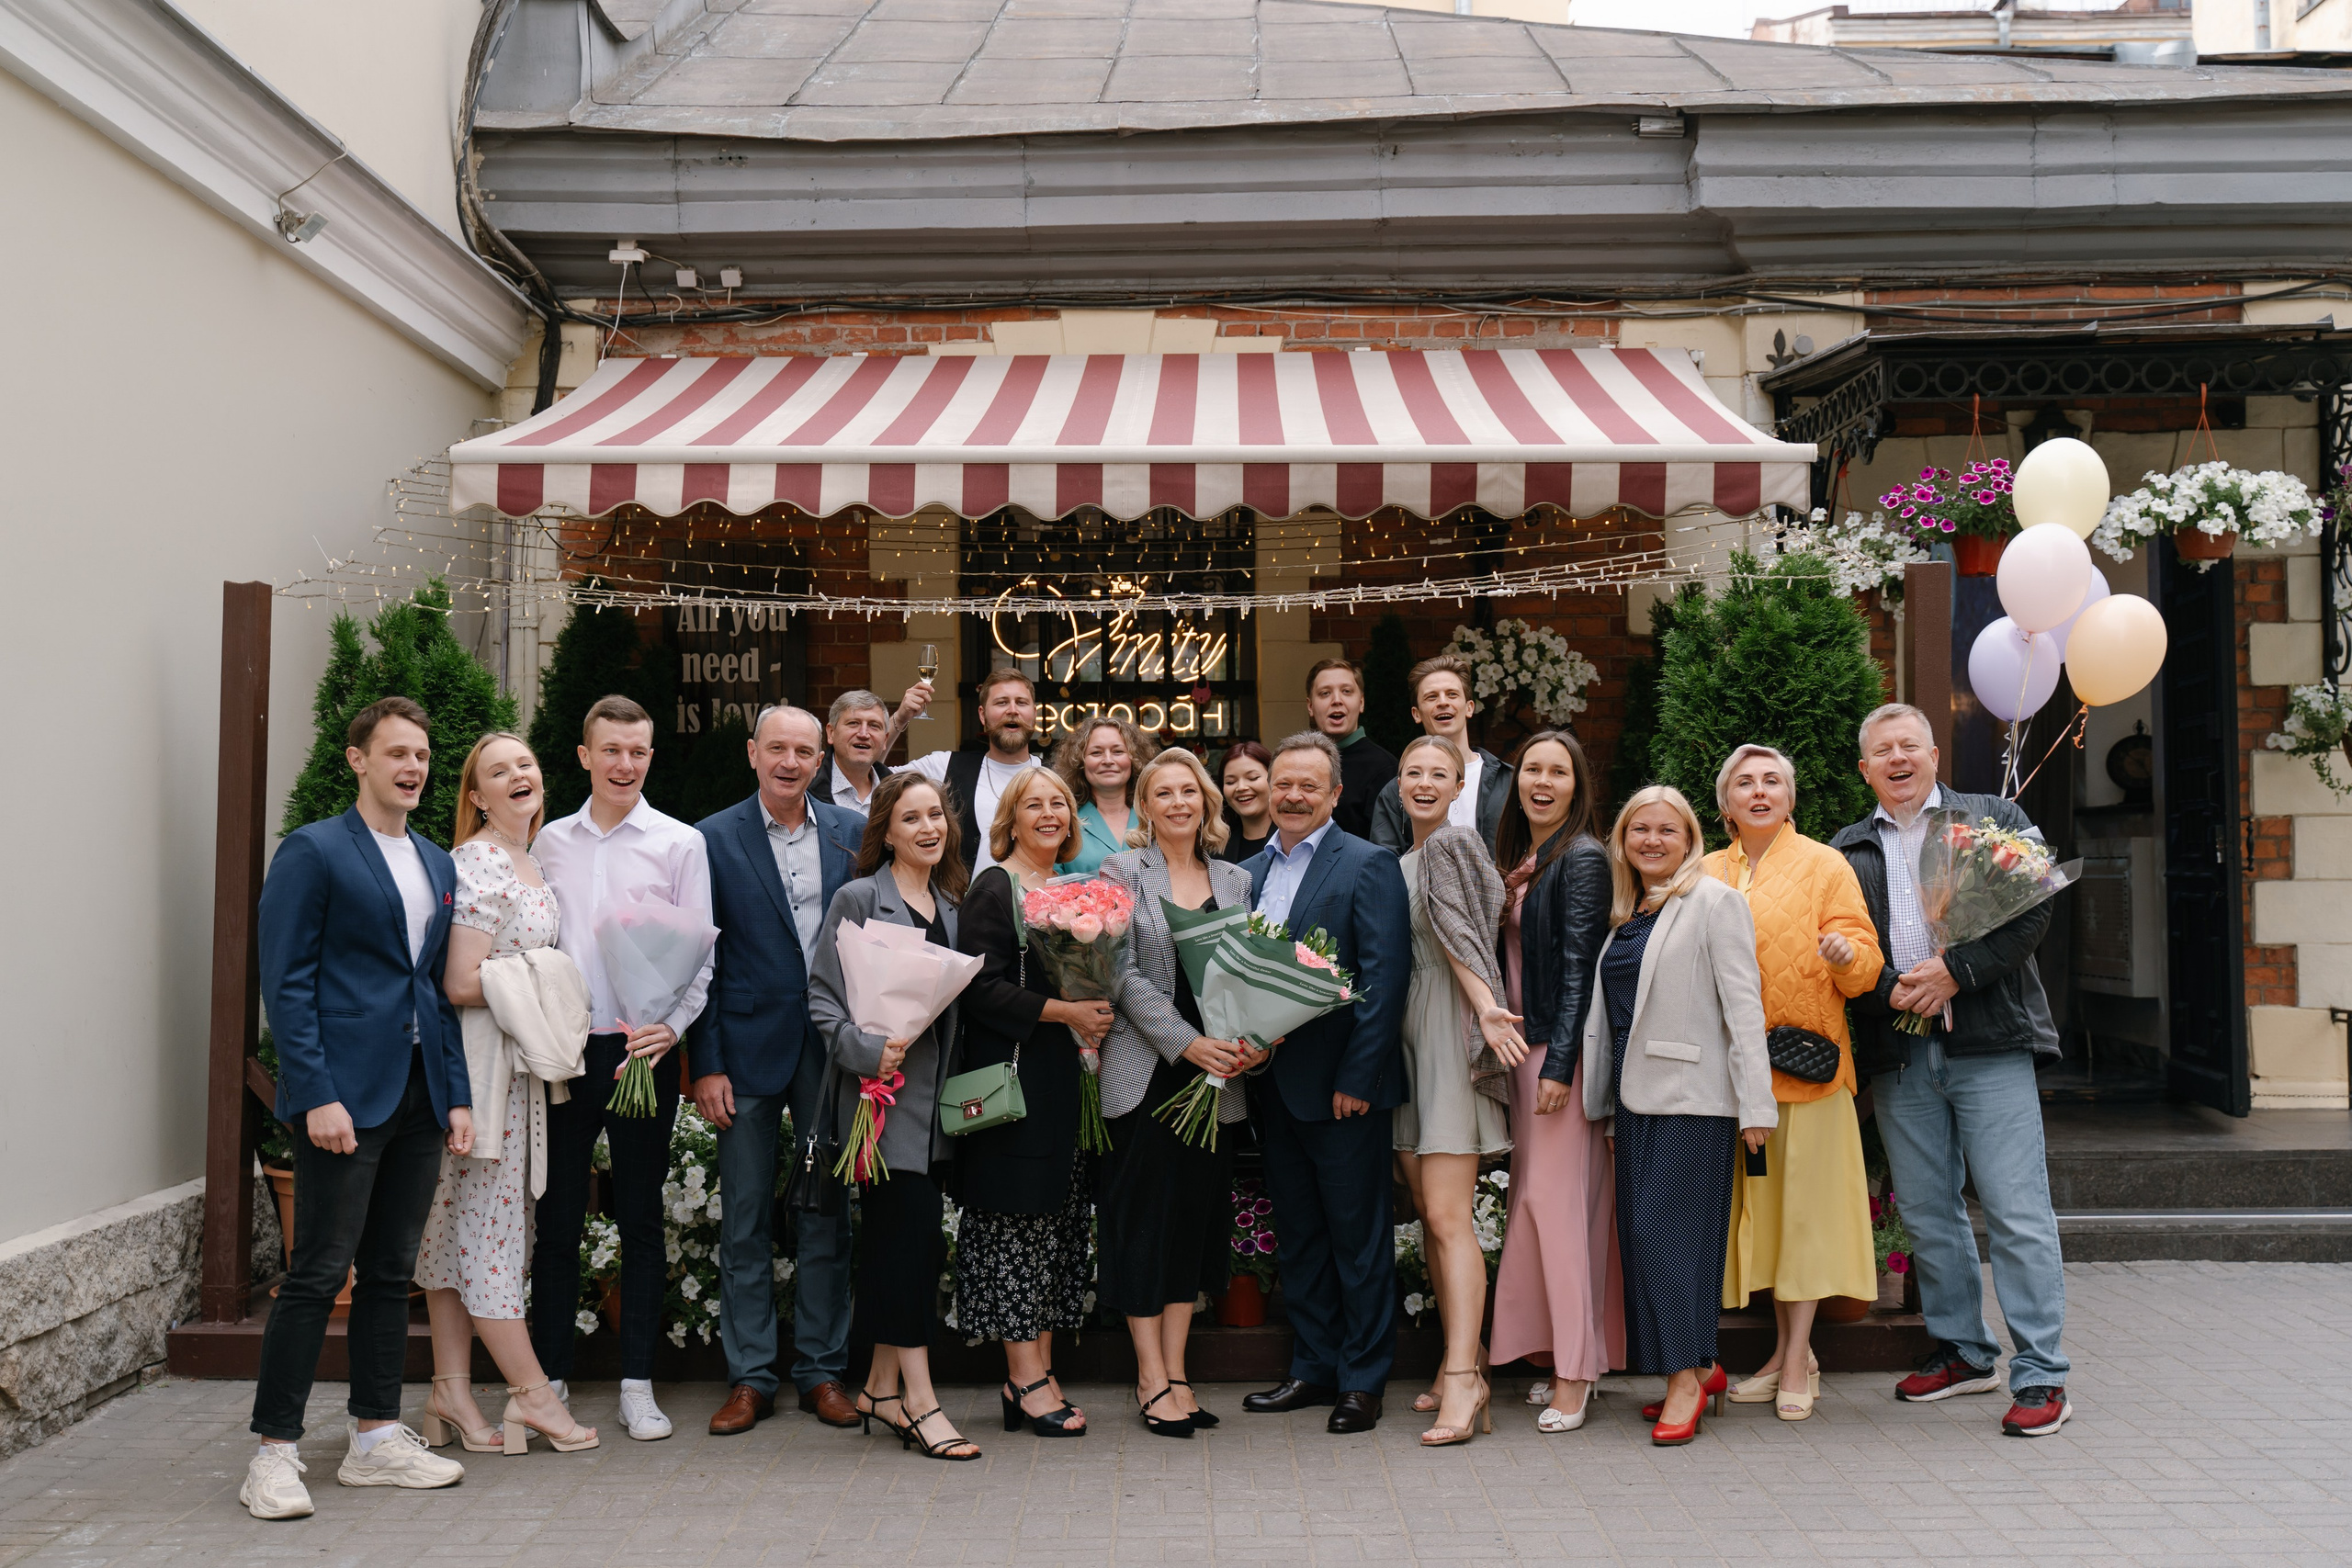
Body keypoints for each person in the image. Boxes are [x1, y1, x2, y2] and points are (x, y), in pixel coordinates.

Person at [243, 696, 471, 1520]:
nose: (413, 767)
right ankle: (273, 1451)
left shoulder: (438, 863)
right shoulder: (313, 851)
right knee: (316, 1274)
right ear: (357, 761)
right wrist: (316, 1094)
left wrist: (457, 1096)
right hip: (344, 1095)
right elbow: (287, 984)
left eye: (423, 755)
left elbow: (434, 992)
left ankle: (375, 1437)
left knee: (389, 1271)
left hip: (418, 1094)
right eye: (397, 753)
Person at [1830, 703, 2074, 1438]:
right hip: (1900, 1048)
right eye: (1882, 751)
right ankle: (1966, 1351)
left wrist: (1956, 971)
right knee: (1930, 1211)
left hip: (1988, 1041)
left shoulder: (1992, 816)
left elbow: (2033, 911)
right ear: (1865, 769)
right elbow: (1840, 942)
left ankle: (2041, 1373)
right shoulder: (1846, 849)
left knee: (2015, 1207)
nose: (1898, 759)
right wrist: (1887, 989)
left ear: (1934, 755)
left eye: (1910, 746)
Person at [530, 694, 715, 1443]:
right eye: (611, 750)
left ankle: (637, 1381)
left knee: (641, 1215)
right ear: (584, 755)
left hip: (641, 1050)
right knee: (557, 1218)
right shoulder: (548, 842)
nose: (625, 764)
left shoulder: (679, 843)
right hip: (566, 1051)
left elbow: (702, 953)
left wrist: (671, 1027)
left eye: (637, 751)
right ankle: (548, 1377)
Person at [414, 733, 597, 1457]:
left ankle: (451, 1392)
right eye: (499, 770)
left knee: (461, 1225)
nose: (519, 773)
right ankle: (533, 1395)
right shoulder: (483, 859)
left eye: (526, 762)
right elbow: (461, 979)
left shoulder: (531, 858)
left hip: (515, 1076)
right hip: (481, 1075)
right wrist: (548, 971)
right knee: (490, 1232)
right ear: (475, 796)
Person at [1578, 784, 1775, 1447]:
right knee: (1643, 1243)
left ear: (1690, 838)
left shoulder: (1716, 901)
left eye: (1667, 830)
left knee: (1675, 1246)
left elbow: (1744, 1006)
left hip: (1695, 1100)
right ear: (1624, 839)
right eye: (1640, 829)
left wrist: (1757, 1104)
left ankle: (1686, 1381)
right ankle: (1698, 1367)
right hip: (1636, 1104)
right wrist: (1606, 1111)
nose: (1653, 840)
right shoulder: (1628, 908)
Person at [693, 705, 865, 1436]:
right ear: (753, 753)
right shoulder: (709, 838)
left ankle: (823, 1370)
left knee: (827, 1211)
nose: (790, 761)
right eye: (777, 748)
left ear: (821, 759)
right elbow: (698, 956)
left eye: (804, 750)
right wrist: (705, 1064)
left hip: (830, 1051)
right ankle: (750, 1376)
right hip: (745, 1048)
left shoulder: (852, 834)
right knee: (746, 1217)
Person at [1238, 732, 1413, 1435]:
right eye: (1284, 782)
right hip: (1272, 1086)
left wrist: (1359, 1076)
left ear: (1336, 794)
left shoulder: (1369, 864)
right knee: (1301, 1235)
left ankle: (1364, 1379)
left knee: (1358, 1237)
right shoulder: (1246, 872)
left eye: (1311, 784)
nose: (1294, 795)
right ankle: (1312, 1367)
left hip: (1343, 1091)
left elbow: (1382, 979)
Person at [1702, 745, 1883, 1424]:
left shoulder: (1824, 864)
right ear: (1725, 803)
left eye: (1771, 780)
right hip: (1731, 1079)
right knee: (1771, 1220)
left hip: (1807, 1072)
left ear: (1790, 797)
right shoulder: (1707, 868)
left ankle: (1800, 1355)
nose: (1758, 791)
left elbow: (1864, 965)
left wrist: (1846, 953)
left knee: (1804, 1220)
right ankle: (1787, 1355)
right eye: (1744, 782)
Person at [808, 773, 979, 1461]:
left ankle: (878, 1388)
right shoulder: (859, 898)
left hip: (938, 1113)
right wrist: (869, 1051)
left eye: (935, 814)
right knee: (909, 1249)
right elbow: (823, 1000)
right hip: (878, 1112)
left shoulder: (954, 905)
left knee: (903, 1247)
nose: (928, 827)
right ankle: (922, 1401)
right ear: (887, 829)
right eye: (911, 818)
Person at [1096, 749, 1260, 1438]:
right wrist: (1184, 1041)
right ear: (1145, 804)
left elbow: (1250, 971)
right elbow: (1120, 972)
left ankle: (1179, 1369)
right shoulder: (1121, 871)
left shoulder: (1236, 877)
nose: (1177, 802)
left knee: (1192, 1226)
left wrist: (1256, 1037)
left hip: (1216, 1078)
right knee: (1144, 1224)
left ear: (1205, 800)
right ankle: (1150, 1377)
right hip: (1149, 1068)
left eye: (1188, 790)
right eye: (1161, 792)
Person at [951, 765, 1115, 1437]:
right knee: (1017, 1225)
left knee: (1058, 1225)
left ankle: (1040, 1371)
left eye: (1059, 804)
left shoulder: (1080, 890)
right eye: (1034, 804)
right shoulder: (995, 887)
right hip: (1014, 1083)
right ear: (1010, 820)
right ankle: (1024, 1376)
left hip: (1068, 1081)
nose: (1049, 813)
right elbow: (979, 987)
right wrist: (1064, 1012)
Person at [1487, 730, 1623, 1435]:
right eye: (1531, 769)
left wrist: (1561, 1066)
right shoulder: (1531, 861)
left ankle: (1575, 1373)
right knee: (1546, 1209)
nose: (1542, 781)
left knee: (1559, 1208)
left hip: (1551, 1056)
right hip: (1525, 1056)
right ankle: (1568, 1356)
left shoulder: (1585, 858)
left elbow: (1580, 970)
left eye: (1558, 771)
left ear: (1578, 784)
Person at [1387, 737, 1513, 1448]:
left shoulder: (1456, 847)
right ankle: (1458, 1359)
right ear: (1398, 783)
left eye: (1440, 773)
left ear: (1461, 784)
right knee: (1431, 1216)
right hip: (1407, 1036)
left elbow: (1466, 939)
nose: (1425, 781)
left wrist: (1485, 1005)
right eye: (1414, 772)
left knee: (1446, 1214)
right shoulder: (1404, 857)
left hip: (1445, 1030)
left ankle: (1465, 1377)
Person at [899, 667, 1046, 875]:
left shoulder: (1055, 776)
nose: (1012, 710)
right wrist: (899, 719)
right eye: (1001, 702)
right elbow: (872, 775)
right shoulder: (946, 765)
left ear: (1034, 715)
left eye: (1021, 702)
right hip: (964, 906)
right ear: (982, 715)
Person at [1368, 655, 1515, 853]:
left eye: (1452, 694)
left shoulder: (1508, 782)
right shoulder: (1396, 792)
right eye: (1431, 697)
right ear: (1416, 714)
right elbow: (1384, 866)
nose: (1443, 702)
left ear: (1469, 707)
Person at [1306, 659, 1396, 840]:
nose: (1337, 700)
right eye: (1325, 693)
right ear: (1310, 706)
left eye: (1346, 692)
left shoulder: (1384, 768)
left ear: (1361, 703)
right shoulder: (1299, 764)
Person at [1057, 715, 1153, 876]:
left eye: (1118, 751)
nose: (1108, 760)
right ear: (1080, 762)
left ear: (1134, 760)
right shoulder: (1066, 820)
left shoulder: (1154, 816)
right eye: (1096, 753)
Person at [806, 688, 920, 815]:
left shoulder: (900, 792)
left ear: (885, 740)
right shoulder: (804, 787)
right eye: (853, 723)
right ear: (831, 733)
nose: (864, 734)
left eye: (874, 726)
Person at [1216, 740, 1275, 863]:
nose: (1241, 787)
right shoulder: (1216, 849)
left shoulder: (1294, 840)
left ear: (1273, 779)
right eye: (1230, 782)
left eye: (1252, 778)